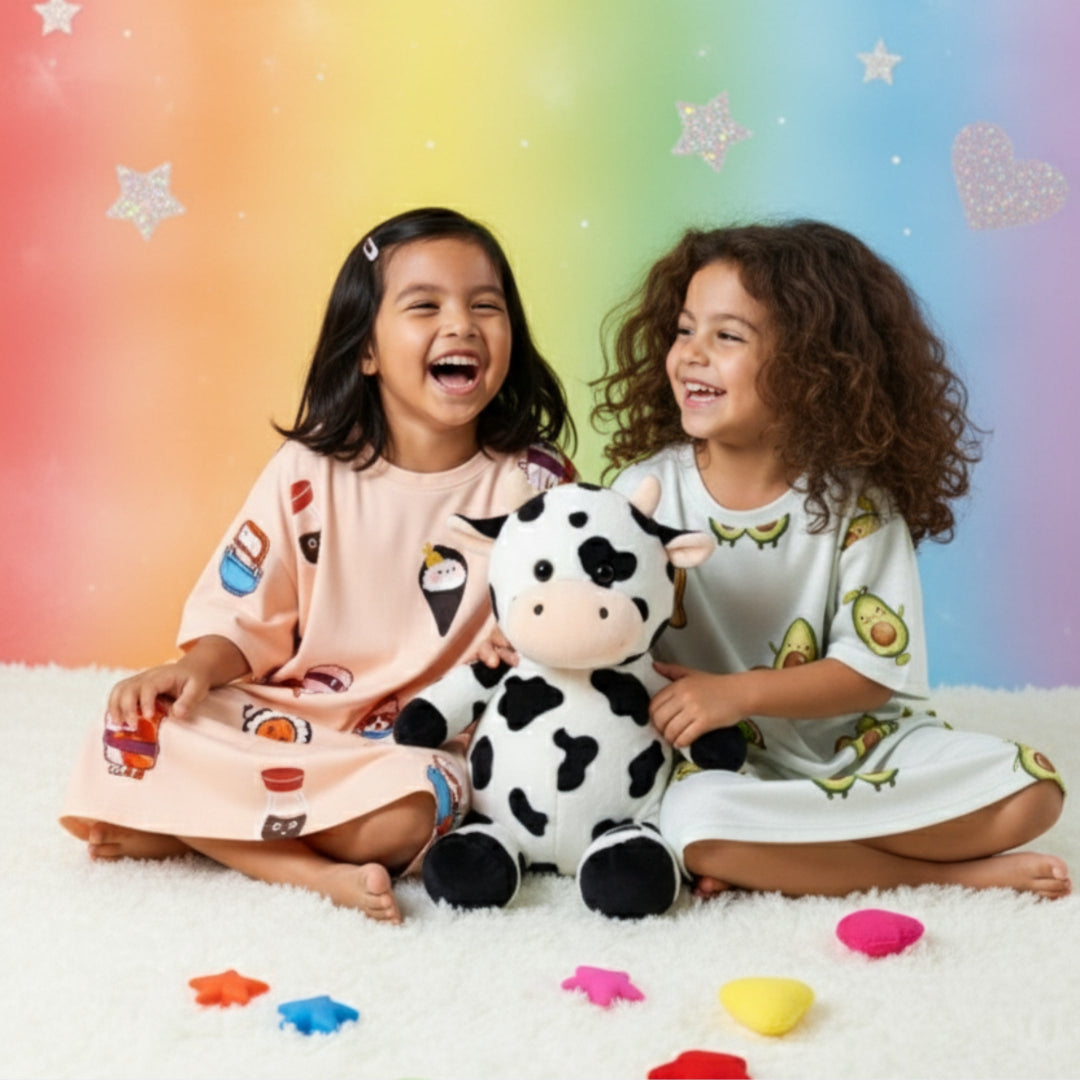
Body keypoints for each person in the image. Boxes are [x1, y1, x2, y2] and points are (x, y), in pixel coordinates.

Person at [62, 207, 576, 923]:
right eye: (425, 305)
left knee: (404, 817)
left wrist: (528, 643)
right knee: (134, 729)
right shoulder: (308, 471)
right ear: (364, 349)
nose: (460, 324)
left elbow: (576, 610)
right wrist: (195, 671)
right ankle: (312, 872)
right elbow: (246, 607)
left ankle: (196, 829)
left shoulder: (538, 482)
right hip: (294, 718)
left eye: (484, 306)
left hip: (424, 742)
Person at [591, 220, 1069, 900]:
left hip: (864, 743)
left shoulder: (859, 505)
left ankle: (798, 854)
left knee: (1033, 790)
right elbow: (597, 622)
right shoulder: (641, 496)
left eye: (727, 336)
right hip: (722, 767)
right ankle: (947, 874)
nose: (691, 354)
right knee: (699, 827)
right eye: (684, 329)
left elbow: (873, 672)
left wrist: (737, 692)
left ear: (815, 366)